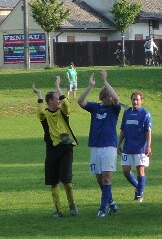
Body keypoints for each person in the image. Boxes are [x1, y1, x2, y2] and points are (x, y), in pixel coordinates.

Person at [32, 76, 78, 218]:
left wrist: (58, 86)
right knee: (53, 182)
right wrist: (39, 94)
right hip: (52, 150)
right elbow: (40, 111)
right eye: (56, 98)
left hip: (65, 149)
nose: (59, 100)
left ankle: (72, 206)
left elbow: (66, 104)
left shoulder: (63, 112)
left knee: (67, 180)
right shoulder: (45, 115)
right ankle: (59, 210)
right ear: (50, 101)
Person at [78, 70, 121, 218]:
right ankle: (112, 203)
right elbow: (80, 102)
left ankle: (102, 209)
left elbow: (117, 98)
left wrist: (105, 82)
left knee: (107, 177)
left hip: (109, 146)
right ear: (103, 97)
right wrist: (90, 86)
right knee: (99, 178)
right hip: (95, 146)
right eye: (107, 96)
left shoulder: (115, 109)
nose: (111, 98)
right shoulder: (95, 107)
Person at [118, 91, 152, 202]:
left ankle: (139, 194)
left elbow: (148, 131)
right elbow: (123, 129)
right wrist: (118, 143)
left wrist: (148, 146)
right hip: (128, 147)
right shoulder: (127, 113)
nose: (135, 101)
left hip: (140, 147)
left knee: (140, 170)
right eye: (133, 99)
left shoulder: (145, 114)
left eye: (137, 99)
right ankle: (139, 187)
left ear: (142, 101)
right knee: (125, 171)